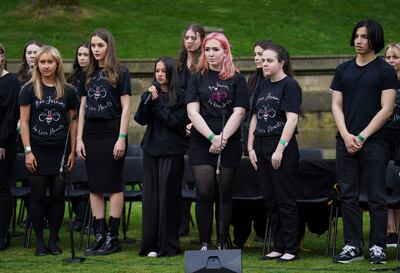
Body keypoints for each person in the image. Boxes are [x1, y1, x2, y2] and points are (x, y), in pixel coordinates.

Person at [331, 19, 397, 264]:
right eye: (357, 36)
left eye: (364, 37)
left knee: (377, 196)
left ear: (374, 40)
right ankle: (352, 245)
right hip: (345, 141)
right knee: (348, 195)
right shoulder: (342, 70)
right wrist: (347, 135)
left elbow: (387, 109)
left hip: (375, 142)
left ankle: (377, 246)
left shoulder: (385, 71)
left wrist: (361, 136)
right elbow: (336, 106)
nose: (359, 41)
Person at [186, 32, 249, 250]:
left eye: (216, 49)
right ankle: (205, 241)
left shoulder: (237, 79)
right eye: (207, 50)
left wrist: (222, 138)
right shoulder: (196, 77)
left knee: (224, 192)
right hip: (201, 141)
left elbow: (239, 112)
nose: (211, 54)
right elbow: (193, 112)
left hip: (228, 142)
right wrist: (212, 137)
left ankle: (222, 241)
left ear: (225, 52)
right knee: (204, 191)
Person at [76, 28, 131, 256]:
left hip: (112, 133)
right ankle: (99, 235)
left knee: (114, 184)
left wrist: (121, 138)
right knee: (95, 186)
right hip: (91, 134)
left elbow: (127, 106)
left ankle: (112, 237)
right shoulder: (87, 74)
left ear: (109, 46)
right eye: (93, 46)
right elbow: (82, 107)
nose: (96, 50)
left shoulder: (120, 72)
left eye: (100, 45)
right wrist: (79, 138)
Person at [19, 46, 78, 256]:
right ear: (37, 64)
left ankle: (53, 240)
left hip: (60, 152)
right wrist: (28, 151)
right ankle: (40, 242)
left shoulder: (68, 90)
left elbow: (73, 122)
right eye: (42, 62)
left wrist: (72, 152)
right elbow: (24, 122)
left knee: (57, 196)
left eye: (50, 62)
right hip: (37, 151)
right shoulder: (28, 89)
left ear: (57, 64)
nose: (46, 66)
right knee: (36, 196)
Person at [247, 43, 302, 262]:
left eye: (270, 60)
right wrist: (250, 146)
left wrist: (280, 148)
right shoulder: (262, 84)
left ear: (282, 62)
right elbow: (254, 117)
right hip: (260, 146)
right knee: (270, 199)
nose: (264, 63)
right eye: (263, 60)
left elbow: (292, 119)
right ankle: (278, 246)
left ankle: (290, 247)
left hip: (281, 148)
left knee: (284, 198)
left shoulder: (290, 85)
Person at [135, 57, 186, 257]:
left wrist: (156, 104)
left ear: (171, 73)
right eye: (157, 70)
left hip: (172, 152)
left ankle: (168, 245)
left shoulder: (181, 96)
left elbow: (175, 122)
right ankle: (150, 246)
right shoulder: (151, 94)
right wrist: (148, 101)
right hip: (151, 151)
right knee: (151, 199)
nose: (159, 74)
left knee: (168, 199)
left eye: (164, 71)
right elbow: (140, 119)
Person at [176, 23, 205, 237]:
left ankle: (203, 226)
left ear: (201, 39)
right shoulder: (178, 65)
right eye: (186, 37)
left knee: (199, 178)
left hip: (201, 124)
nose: (189, 41)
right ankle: (182, 222)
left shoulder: (205, 65)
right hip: (179, 124)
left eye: (193, 38)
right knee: (180, 176)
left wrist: (196, 122)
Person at [67, 42, 90, 232]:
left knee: (87, 176)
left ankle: (88, 217)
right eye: (80, 54)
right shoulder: (73, 78)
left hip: (90, 128)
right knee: (74, 174)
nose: (82, 58)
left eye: (86, 54)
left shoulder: (95, 77)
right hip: (72, 128)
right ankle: (80, 215)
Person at [0, 43, 20, 250]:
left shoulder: (11, 82)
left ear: (3, 57)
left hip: (3, 144)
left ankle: (2, 233)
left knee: (2, 188)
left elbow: (10, 115)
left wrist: (1, 142)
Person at [383, 43, 400, 248]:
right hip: (385, 136)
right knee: (386, 182)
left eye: (395, 57)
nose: (391, 61)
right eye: (388, 57)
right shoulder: (381, 81)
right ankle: (389, 230)